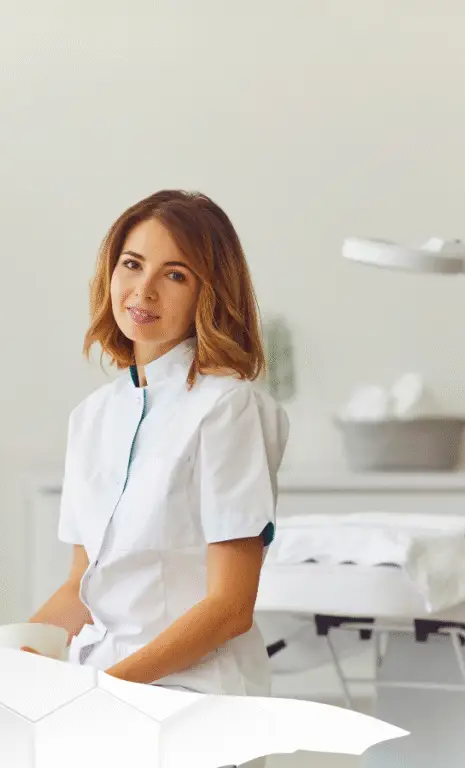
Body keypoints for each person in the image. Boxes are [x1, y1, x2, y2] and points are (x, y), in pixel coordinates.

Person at [26, 189, 290, 704]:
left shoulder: (228, 408)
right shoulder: (92, 417)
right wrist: (11, 656)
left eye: (174, 275)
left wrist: (107, 691)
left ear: (207, 293)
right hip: (103, 681)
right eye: (132, 264)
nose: (143, 291)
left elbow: (230, 608)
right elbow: (81, 588)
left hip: (193, 696)